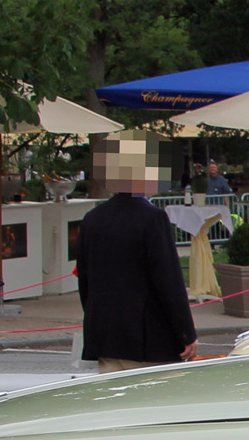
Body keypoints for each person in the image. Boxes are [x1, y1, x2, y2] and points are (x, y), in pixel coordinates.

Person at [77, 159, 198, 372]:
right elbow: (168, 280)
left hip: (106, 335)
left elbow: (85, 280)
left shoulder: (92, 218)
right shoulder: (153, 217)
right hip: (147, 338)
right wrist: (186, 333)